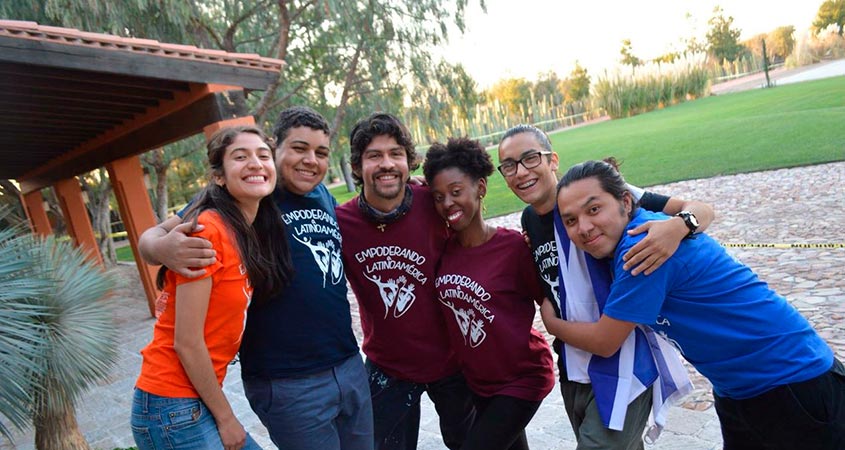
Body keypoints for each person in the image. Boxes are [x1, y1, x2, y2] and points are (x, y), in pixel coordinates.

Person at [546, 159, 845, 450]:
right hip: (738, 389)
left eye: (594, 209)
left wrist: (552, 323)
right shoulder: (647, 228)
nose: (584, 227)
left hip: (793, 380)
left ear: (625, 201)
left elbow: (605, 341)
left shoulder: (642, 248)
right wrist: (682, 223)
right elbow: (696, 208)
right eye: (571, 220)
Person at [137, 107, 373, 450]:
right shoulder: (247, 194)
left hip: (347, 364)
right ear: (276, 149)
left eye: (321, 152)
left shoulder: (322, 195)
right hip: (288, 380)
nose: (310, 160)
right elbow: (152, 239)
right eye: (299, 148)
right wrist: (161, 248)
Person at [497, 124, 715, 448]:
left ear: (552, 160)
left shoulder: (588, 196)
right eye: (509, 165)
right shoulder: (529, 219)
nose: (521, 172)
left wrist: (679, 226)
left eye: (530, 158)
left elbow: (699, 209)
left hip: (622, 360)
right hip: (573, 363)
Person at [132, 125, 293, 449]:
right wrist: (227, 418)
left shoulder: (245, 228)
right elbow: (187, 342)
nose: (256, 163)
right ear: (219, 176)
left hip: (190, 398)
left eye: (263, 155)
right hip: (172, 405)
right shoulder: (209, 232)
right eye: (240, 157)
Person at [336, 113, 475, 450]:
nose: (387, 164)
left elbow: (479, 232)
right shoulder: (341, 222)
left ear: (408, 161)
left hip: (453, 360)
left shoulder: (434, 202)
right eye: (374, 155)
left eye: (395, 154)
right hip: (388, 367)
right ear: (357, 166)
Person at [423, 137, 555, 450]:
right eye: (439, 197)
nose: (447, 203)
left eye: (456, 191)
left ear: (480, 188)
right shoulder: (442, 251)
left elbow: (548, 297)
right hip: (479, 383)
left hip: (521, 379)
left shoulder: (513, 248)